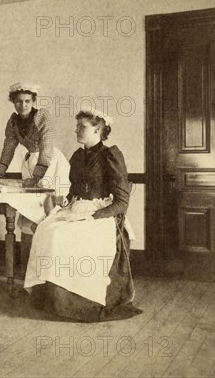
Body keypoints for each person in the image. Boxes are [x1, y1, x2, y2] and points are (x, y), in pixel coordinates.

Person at [23, 107, 142, 322]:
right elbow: (75, 189)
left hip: (102, 215)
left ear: (98, 129)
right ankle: (51, 298)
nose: (76, 130)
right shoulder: (78, 156)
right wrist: (67, 200)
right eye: (77, 126)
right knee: (45, 230)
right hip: (77, 209)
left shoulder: (111, 155)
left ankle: (81, 301)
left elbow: (122, 202)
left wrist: (95, 217)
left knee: (63, 236)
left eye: (82, 127)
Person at [0, 83, 70, 273]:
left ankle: (51, 268)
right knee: (29, 213)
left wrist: (37, 177)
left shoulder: (43, 116)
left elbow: (47, 147)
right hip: (29, 164)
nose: (23, 105)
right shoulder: (13, 122)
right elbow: (8, 149)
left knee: (48, 211)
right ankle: (29, 267)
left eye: (27, 101)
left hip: (51, 164)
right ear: (13, 102)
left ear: (33, 101)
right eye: (18, 101)